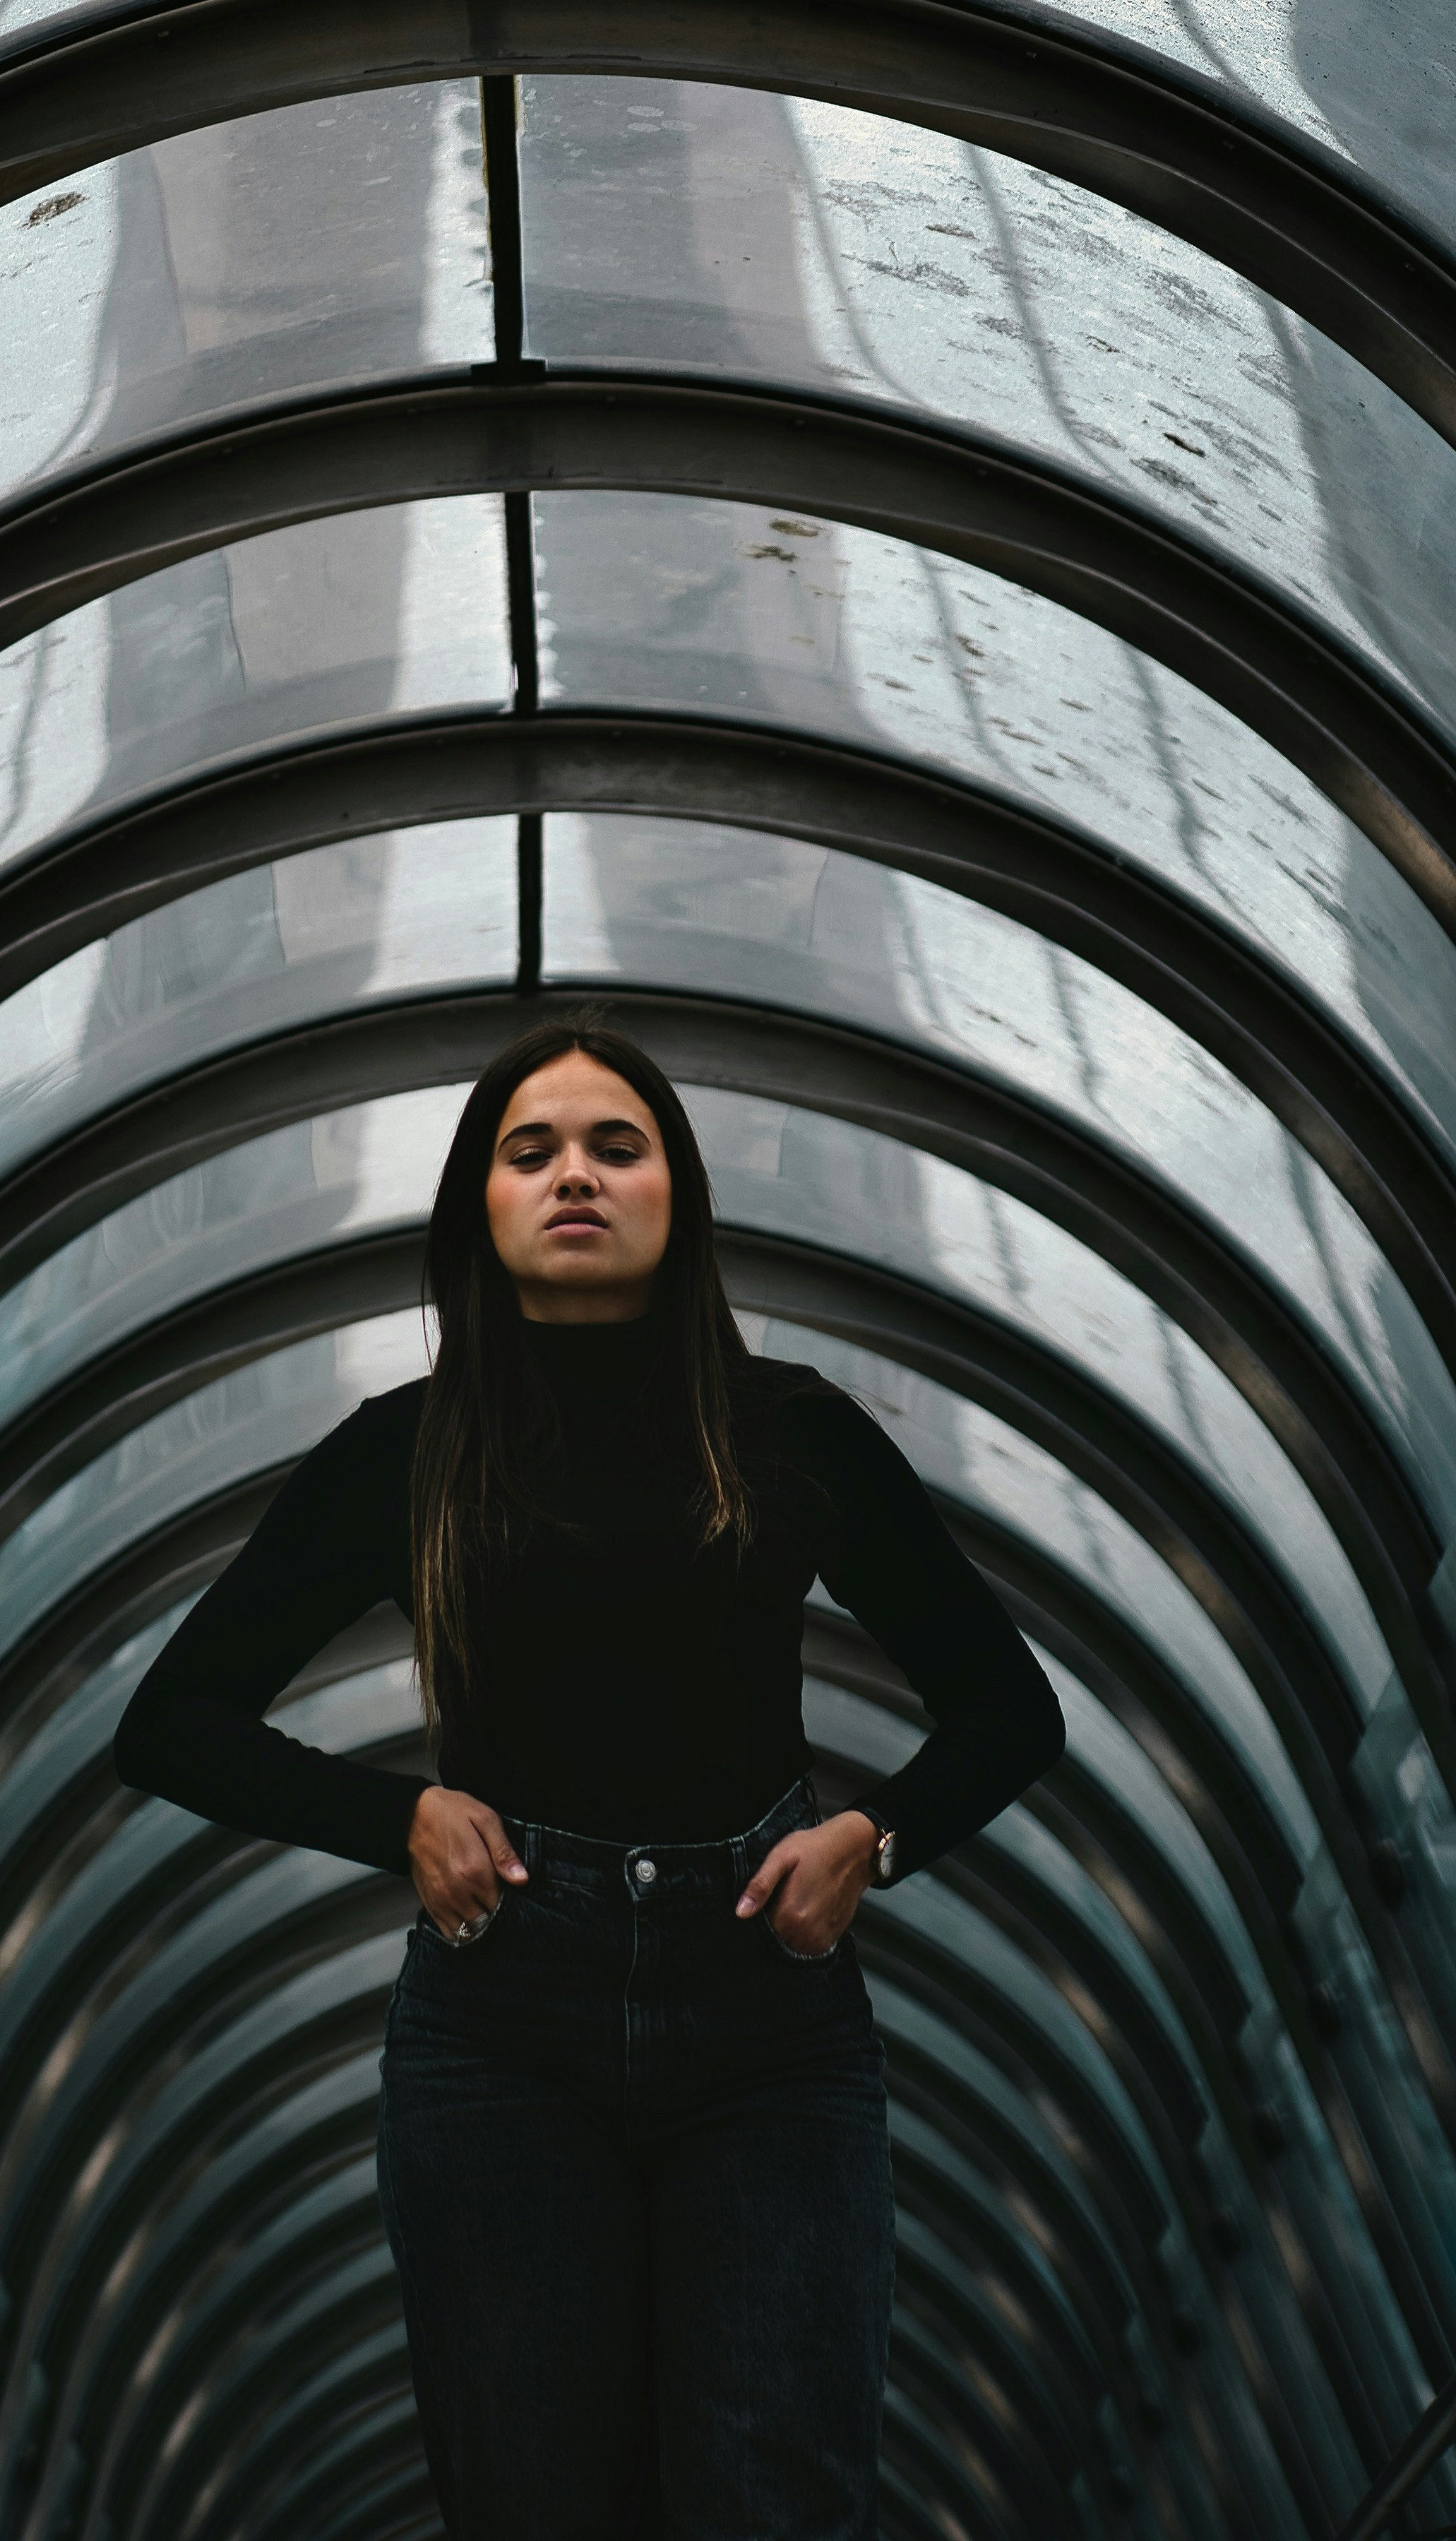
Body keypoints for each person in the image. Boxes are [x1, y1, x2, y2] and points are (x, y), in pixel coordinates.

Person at [112, 1014, 1064, 2538]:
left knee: (782, 2497)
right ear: (479, 1208)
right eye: (530, 1149)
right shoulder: (406, 1452)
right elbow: (174, 1717)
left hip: (771, 2033)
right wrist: (396, 1814)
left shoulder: (790, 1433)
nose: (575, 1174)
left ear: (676, 1192)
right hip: (502, 2037)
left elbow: (1008, 1707)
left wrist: (876, 1838)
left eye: (617, 1145)